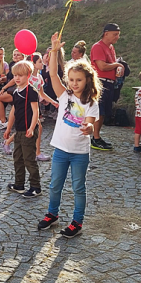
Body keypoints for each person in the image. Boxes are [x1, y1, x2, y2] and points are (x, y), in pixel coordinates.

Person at [38, 32, 101, 238]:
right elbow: (53, 74)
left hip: (79, 153)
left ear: (87, 80)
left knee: (78, 188)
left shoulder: (91, 103)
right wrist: (54, 51)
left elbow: (91, 125)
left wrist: (88, 129)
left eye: (79, 80)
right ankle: (52, 214)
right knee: (55, 184)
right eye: (72, 80)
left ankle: (77, 222)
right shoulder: (64, 96)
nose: (74, 83)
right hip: (60, 151)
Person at [3, 61, 41, 198]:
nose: (17, 78)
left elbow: (35, 111)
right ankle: (19, 184)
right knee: (17, 158)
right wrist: (8, 128)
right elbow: (13, 111)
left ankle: (35, 186)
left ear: (28, 75)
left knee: (29, 159)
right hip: (18, 131)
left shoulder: (31, 91)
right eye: (15, 75)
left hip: (28, 131)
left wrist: (32, 127)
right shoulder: (15, 91)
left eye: (20, 75)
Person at [90, 23, 124, 150]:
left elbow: (110, 65)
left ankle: (97, 136)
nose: (117, 37)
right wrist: (116, 65)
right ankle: (95, 137)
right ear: (106, 33)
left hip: (109, 83)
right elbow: (102, 66)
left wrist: (117, 69)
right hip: (101, 82)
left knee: (103, 112)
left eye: (118, 35)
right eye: (115, 34)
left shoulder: (110, 48)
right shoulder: (98, 47)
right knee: (99, 111)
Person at [0, 49, 25, 128]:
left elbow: (14, 80)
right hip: (10, 88)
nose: (15, 56)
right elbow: (9, 77)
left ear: (23, 57)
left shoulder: (22, 66)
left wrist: (4, 87)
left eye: (18, 55)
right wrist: (2, 79)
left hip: (17, 90)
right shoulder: (12, 64)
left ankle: (3, 121)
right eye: (14, 55)